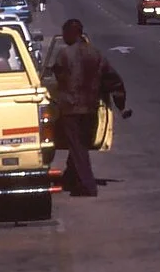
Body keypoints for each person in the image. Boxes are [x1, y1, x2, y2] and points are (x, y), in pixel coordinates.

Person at [52, 18, 129, 198]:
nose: (64, 38)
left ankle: (87, 185)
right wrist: (121, 104)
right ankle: (71, 178)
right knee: (80, 145)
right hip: (90, 107)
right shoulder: (96, 54)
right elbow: (113, 80)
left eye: (65, 34)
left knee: (78, 146)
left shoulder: (64, 55)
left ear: (72, 34)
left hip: (70, 108)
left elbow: (57, 77)